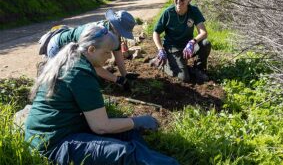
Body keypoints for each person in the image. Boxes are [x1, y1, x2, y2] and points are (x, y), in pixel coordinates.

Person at [25, 24, 179, 165]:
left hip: (67, 127)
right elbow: (101, 127)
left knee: (128, 134)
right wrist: (138, 121)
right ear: (91, 50)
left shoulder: (76, 60)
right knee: (124, 152)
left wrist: (131, 125)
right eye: (106, 53)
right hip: (51, 144)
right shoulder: (80, 73)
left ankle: (150, 158)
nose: (109, 58)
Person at [39, 9, 138, 91]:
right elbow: (92, 65)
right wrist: (117, 79)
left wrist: (125, 75)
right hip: (57, 46)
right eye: (122, 32)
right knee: (67, 80)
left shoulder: (114, 34)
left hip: (74, 47)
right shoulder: (97, 35)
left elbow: (118, 54)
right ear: (115, 26)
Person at [152, 0, 211, 83]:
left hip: (188, 47)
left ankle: (198, 69)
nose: (178, 1)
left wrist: (192, 42)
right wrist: (160, 49)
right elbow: (156, 32)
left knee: (205, 43)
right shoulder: (168, 13)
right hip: (172, 48)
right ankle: (161, 63)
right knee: (184, 78)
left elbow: (203, 32)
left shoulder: (194, 11)